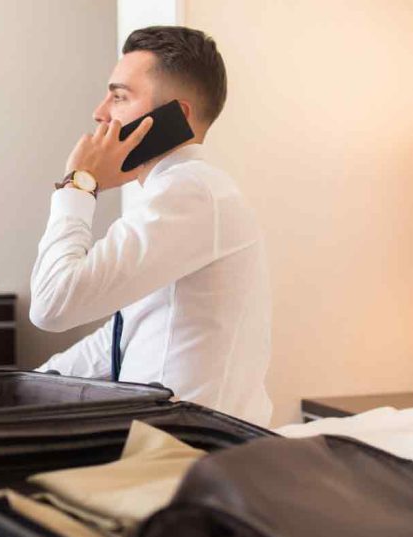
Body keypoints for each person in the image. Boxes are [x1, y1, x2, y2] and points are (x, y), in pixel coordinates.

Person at [30, 26, 272, 425]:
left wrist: (79, 183)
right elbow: (124, 335)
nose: (100, 112)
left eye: (120, 96)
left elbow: (51, 306)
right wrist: (31, 385)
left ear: (174, 117)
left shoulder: (191, 192)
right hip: (173, 439)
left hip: (190, 451)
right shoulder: (183, 193)